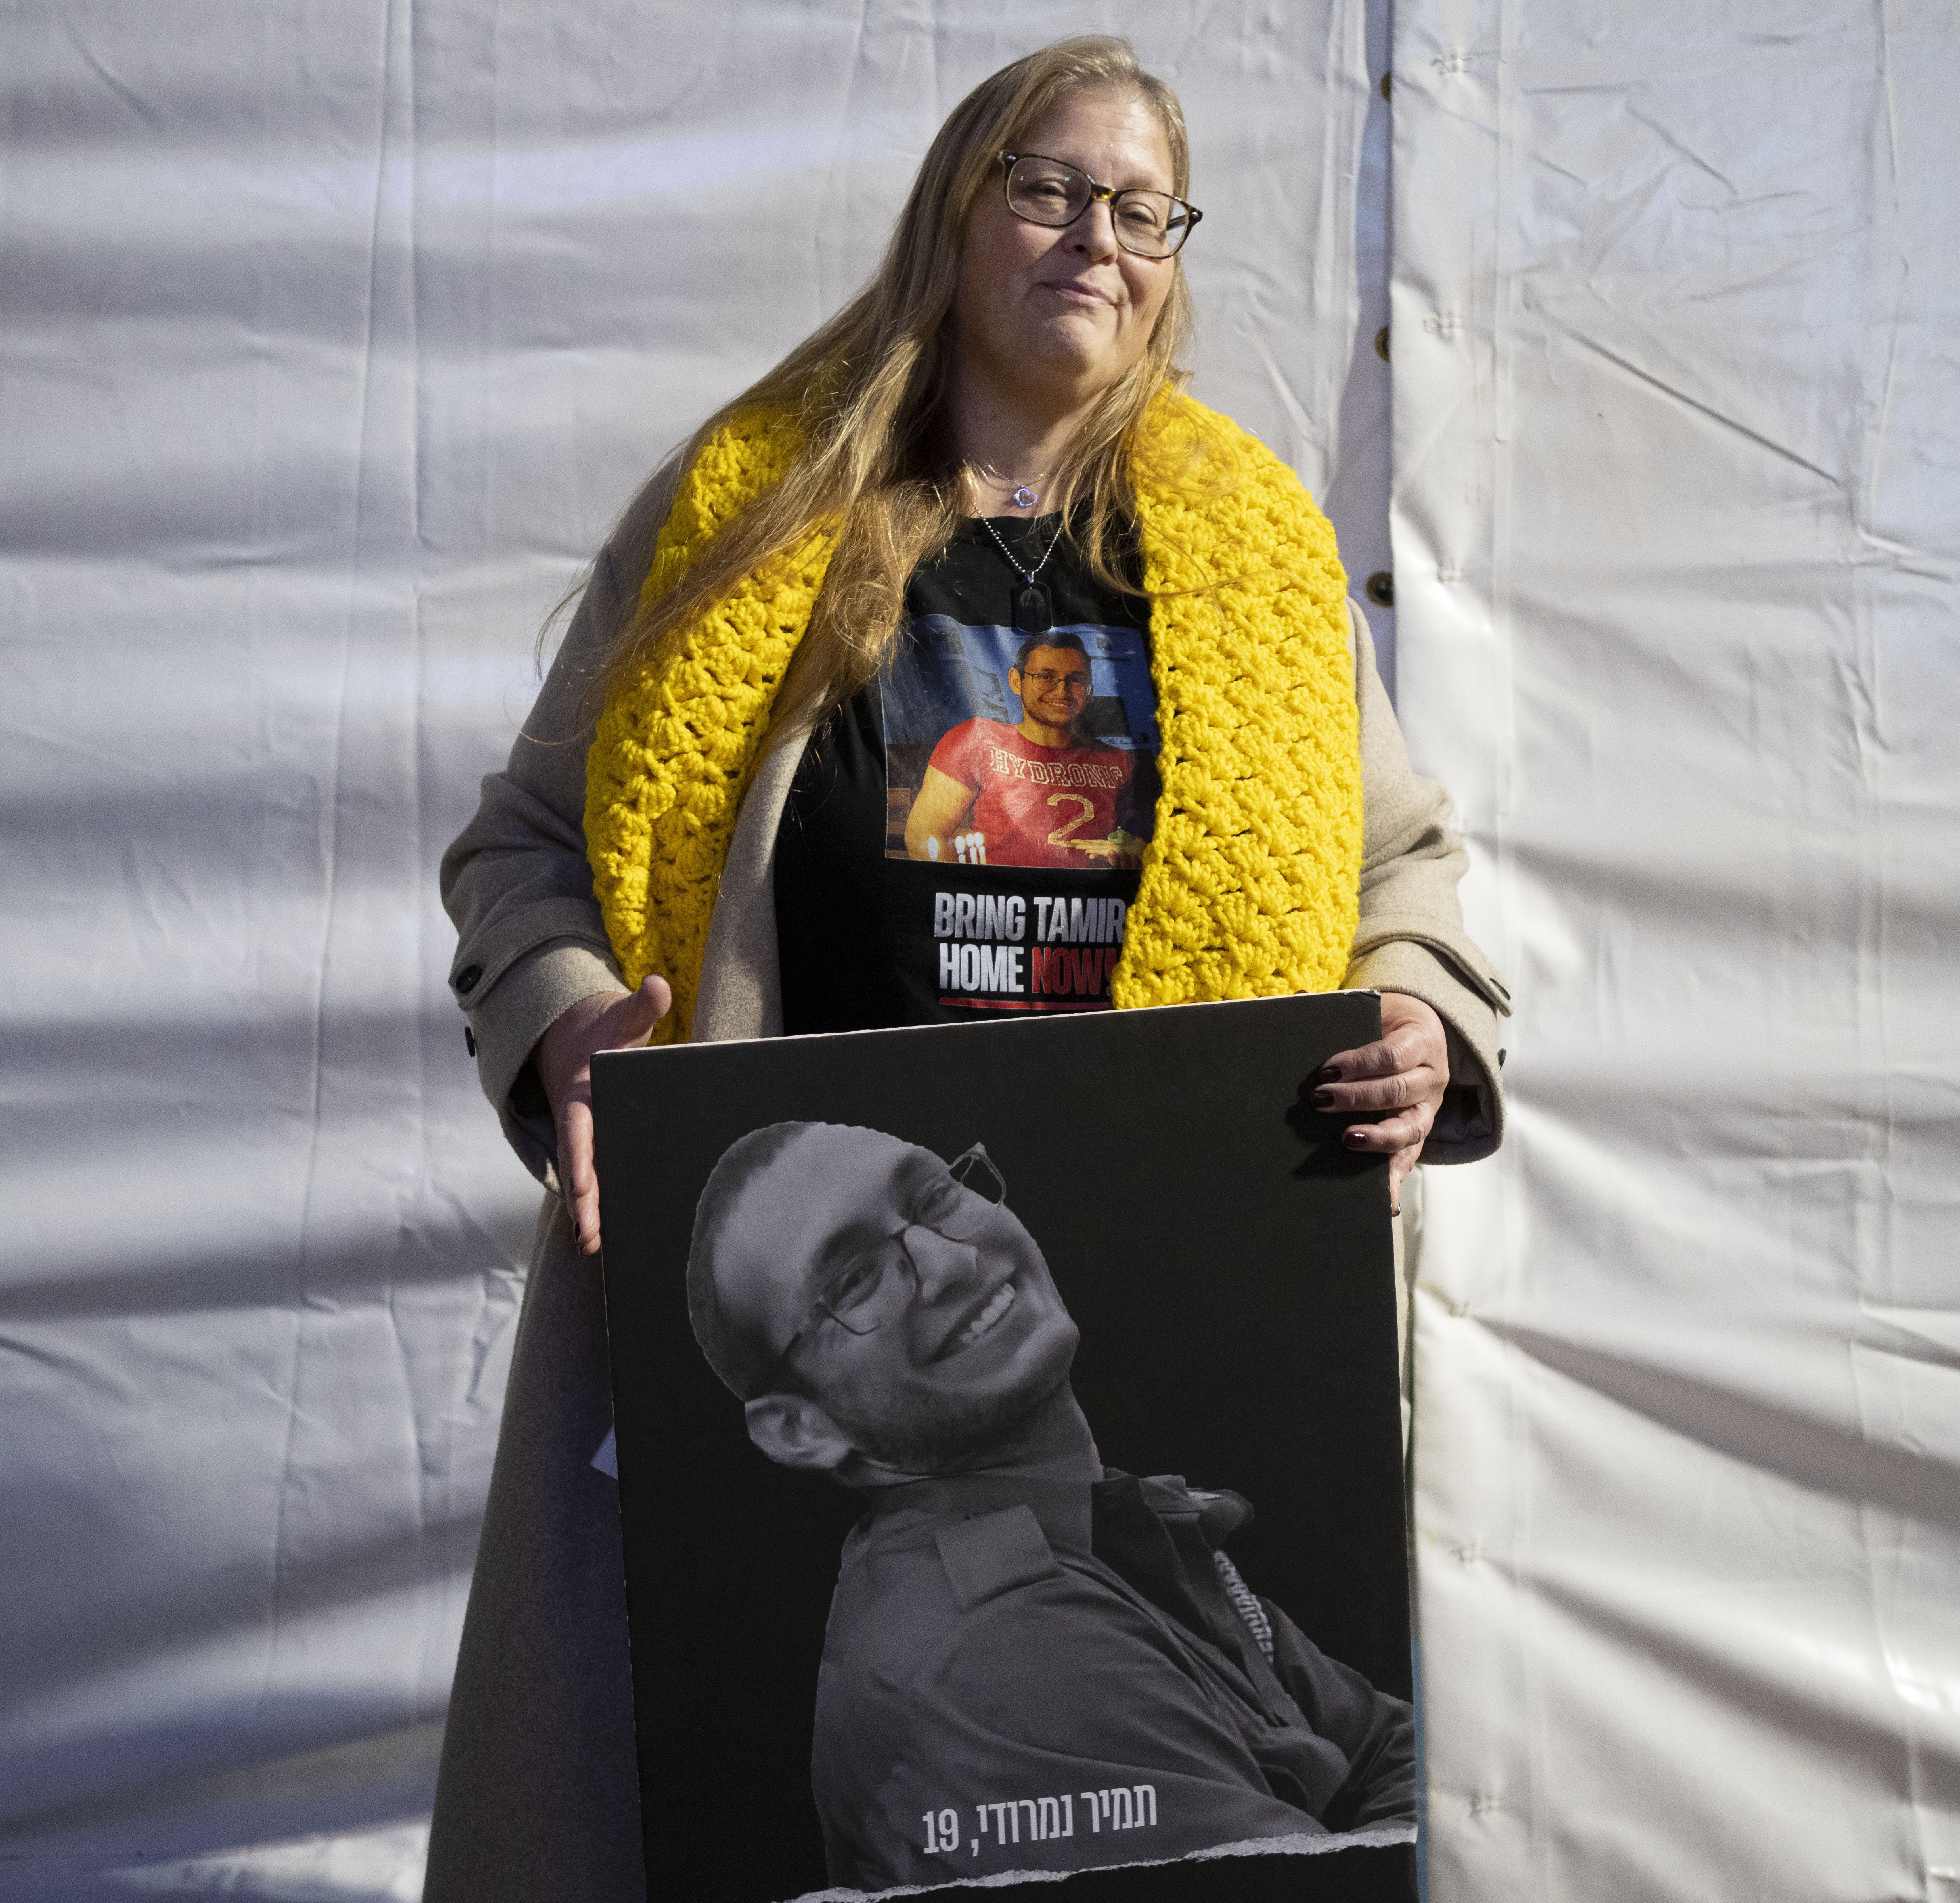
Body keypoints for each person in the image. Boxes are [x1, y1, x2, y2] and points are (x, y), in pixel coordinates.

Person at [427, 35, 1510, 1902]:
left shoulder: (1256, 560)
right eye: (1047, 186)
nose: (1098, 232)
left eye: (1140, 204)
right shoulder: (750, 508)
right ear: (953, 215)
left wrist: (1417, 1007)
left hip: (1156, 1281)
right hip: (800, 1317)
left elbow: (1397, 870)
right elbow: (522, 843)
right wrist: (563, 1020)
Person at [689, 1122, 1416, 1891]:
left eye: (936, 1196)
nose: (951, 1260)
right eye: (854, 1281)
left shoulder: (1107, 1522)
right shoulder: (995, 1653)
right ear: (800, 1428)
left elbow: (1390, 1749)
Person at [903, 630, 1148, 868]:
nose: (1062, 691)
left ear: (1090, 690)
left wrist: (1140, 851)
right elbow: (924, 834)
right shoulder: (978, 738)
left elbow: (1141, 838)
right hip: (1000, 903)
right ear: (1016, 681)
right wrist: (974, 895)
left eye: (1077, 679)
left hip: (1088, 905)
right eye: (1045, 677)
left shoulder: (1119, 760)